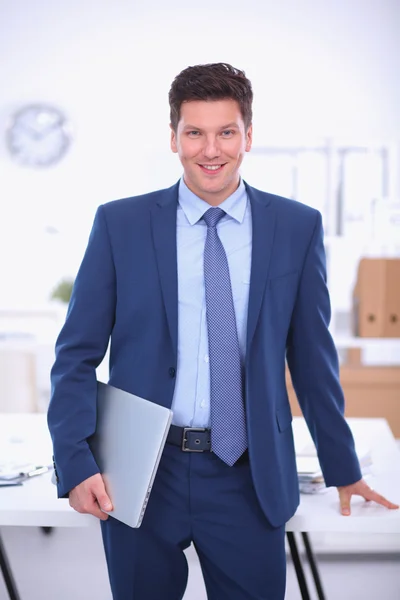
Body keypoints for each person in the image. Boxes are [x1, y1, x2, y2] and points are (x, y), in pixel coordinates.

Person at [47, 62, 398, 600]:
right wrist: (74, 461)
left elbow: (312, 360)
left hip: (246, 476)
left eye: (226, 132)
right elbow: (75, 356)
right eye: (194, 133)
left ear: (248, 136)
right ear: (174, 138)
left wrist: (342, 466)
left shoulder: (296, 227)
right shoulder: (121, 224)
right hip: (141, 472)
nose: (210, 150)